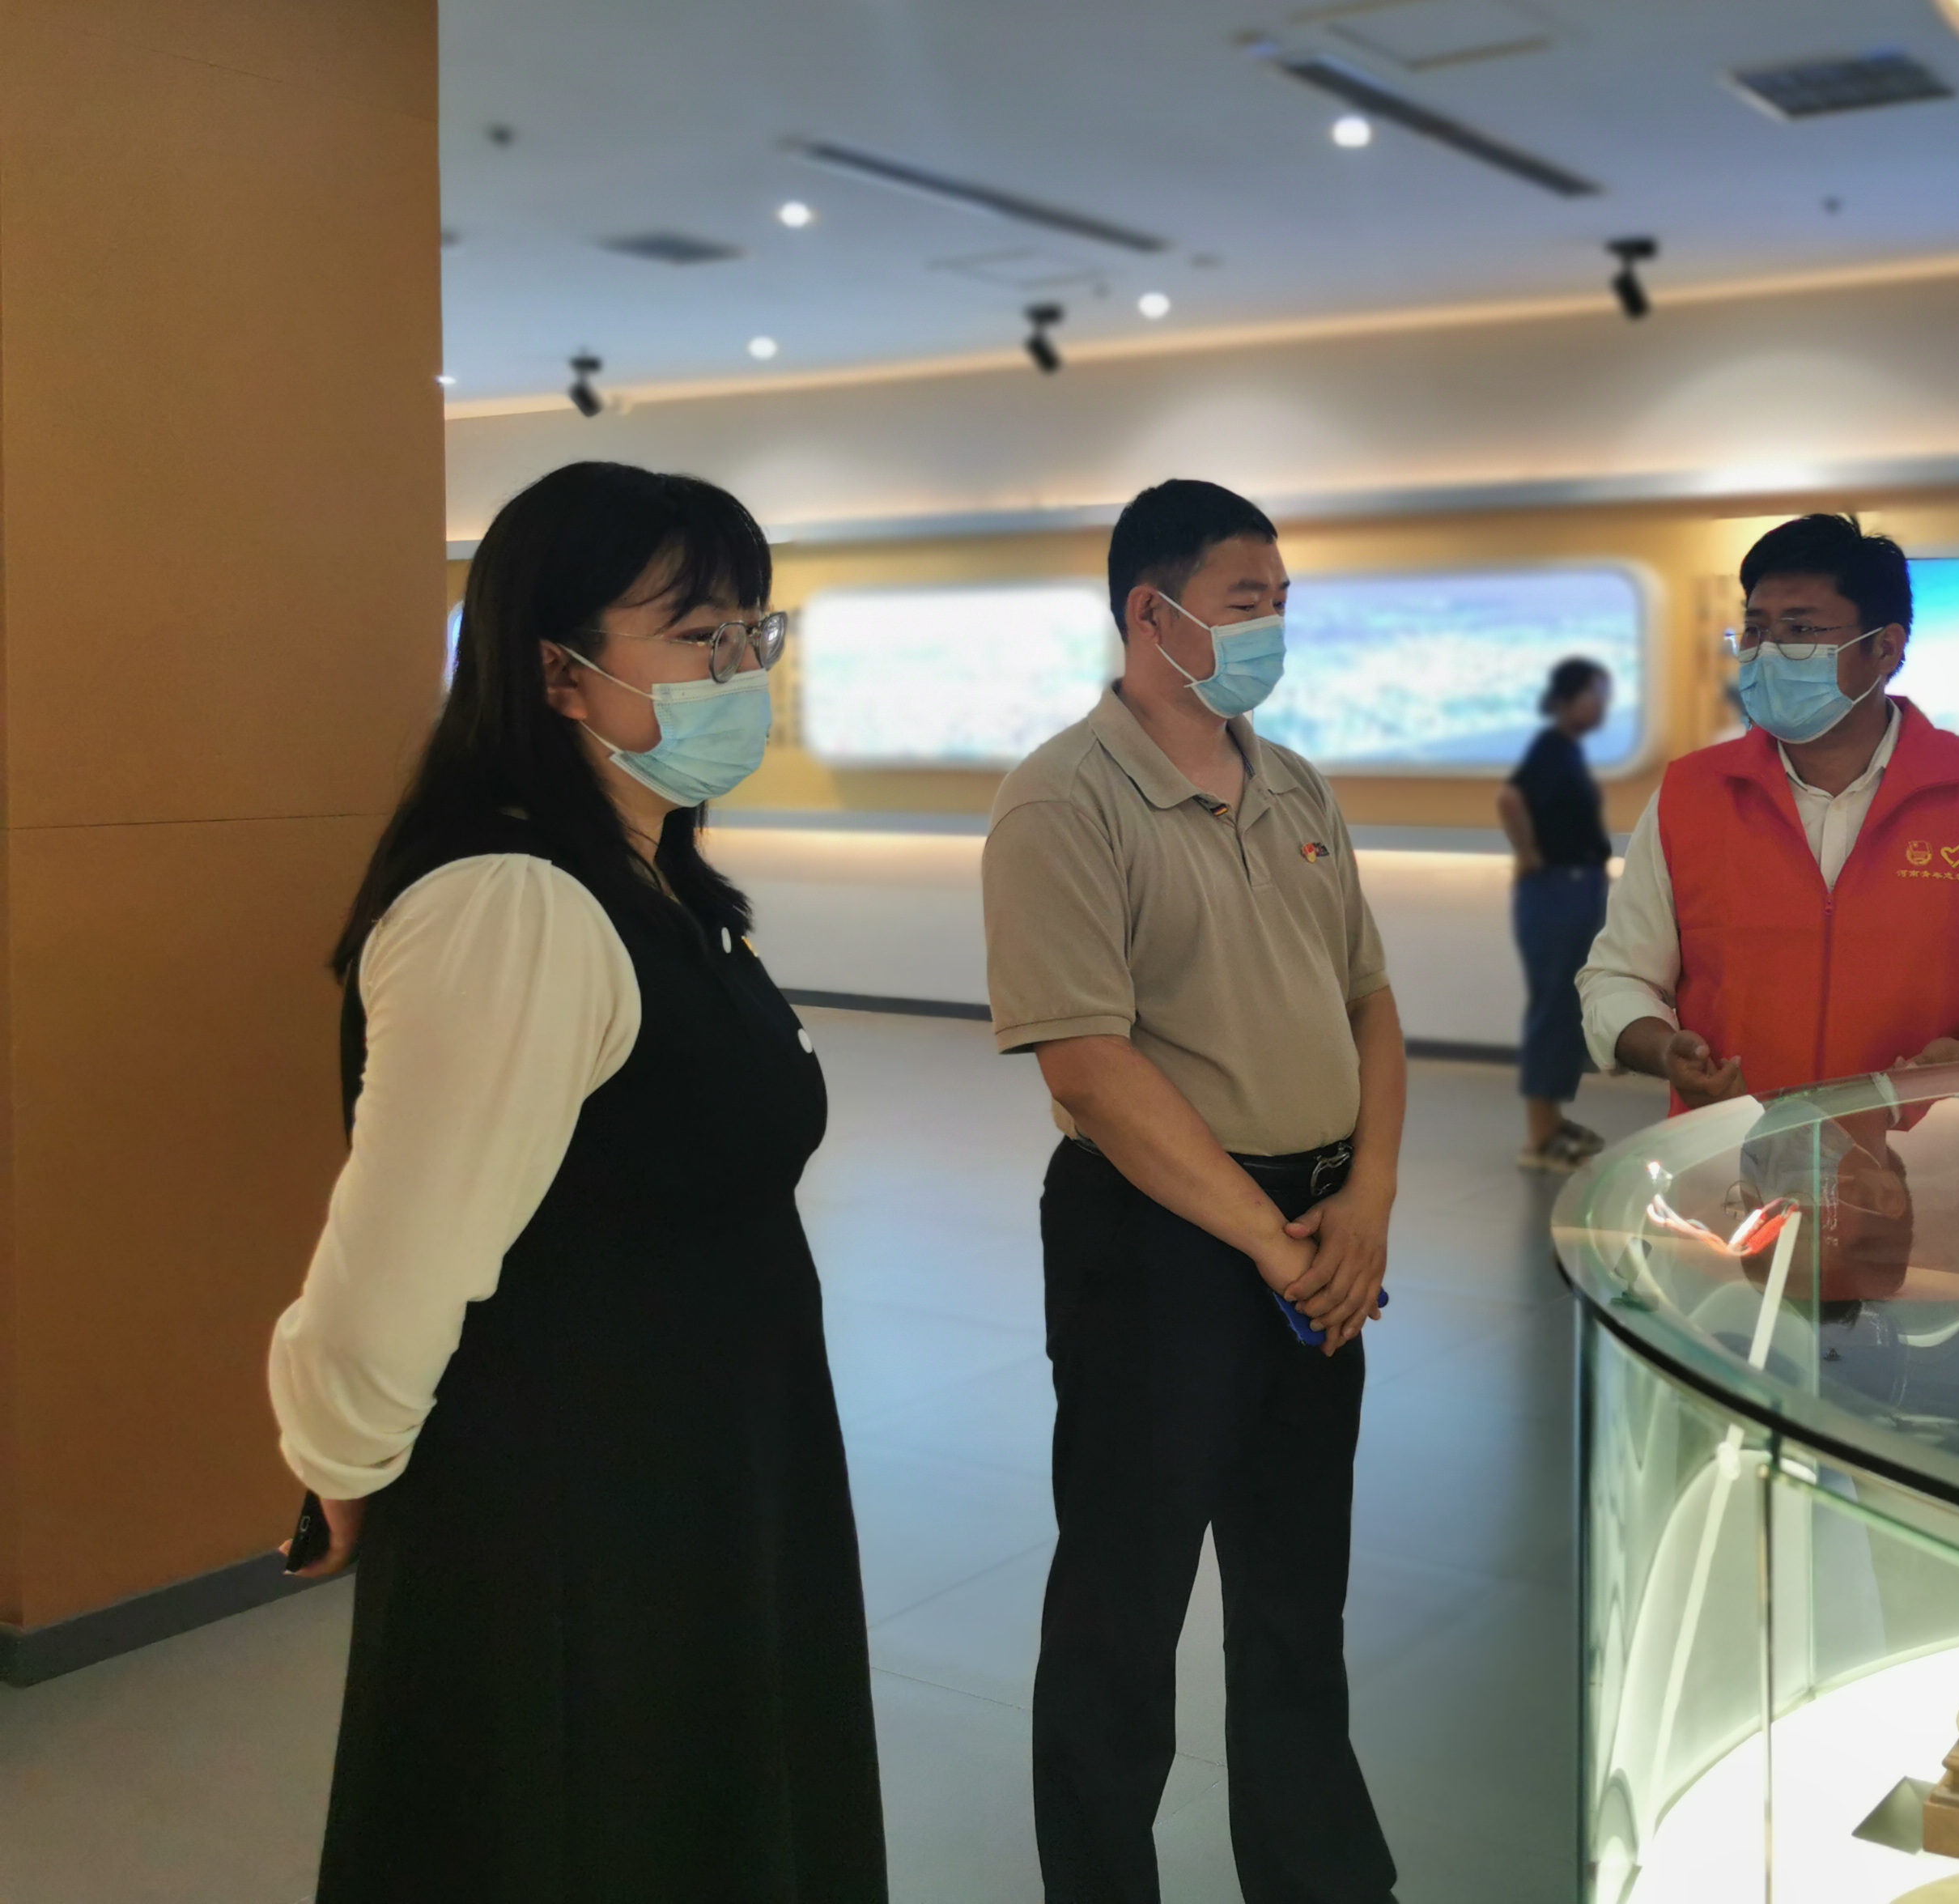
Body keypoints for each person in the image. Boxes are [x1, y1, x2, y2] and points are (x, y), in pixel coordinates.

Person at [268, 461, 885, 1903]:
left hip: (702, 1465)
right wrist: (341, 1458)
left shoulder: (659, 884)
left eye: (754, 634)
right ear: (555, 671)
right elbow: (401, 1254)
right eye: (698, 638)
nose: (741, 674)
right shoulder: (513, 900)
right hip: (577, 1499)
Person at [984, 477, 1403, 1904]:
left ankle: (1322, 1878)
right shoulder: (1063, 798)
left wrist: (1365, 1202)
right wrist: (1270, 1249)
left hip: (1319, 1230)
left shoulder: (1294, 785)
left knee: (1296, 1598)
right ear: (1148, 614)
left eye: (1281, 600)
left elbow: (1370, 1003)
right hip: (1159, 1247)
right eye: (1244, 601)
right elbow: (1091, 1067)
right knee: (1124, 1604)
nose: (1271, 625)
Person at [1578, 510, 1959, 1113]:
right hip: (1732, 1148)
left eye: (1801, 630)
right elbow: (1618, 977)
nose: (1768, 652)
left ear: (1885, 648)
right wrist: (1660, 1048)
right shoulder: (1691, 794)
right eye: (1755, 630)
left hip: (1931, 1149)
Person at [1496, 655, 1616, 1168]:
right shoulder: (1550, 748)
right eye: (1594, 696)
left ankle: (1552, 1121)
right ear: (1567, 700)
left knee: (1567, 1007)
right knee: (1553, 1007)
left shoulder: (1564, 749)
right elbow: (1510, 798)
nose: (1602, 706)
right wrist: (1528, 854)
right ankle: (1539, 1138)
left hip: (1574, 890)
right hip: (1556, 893)